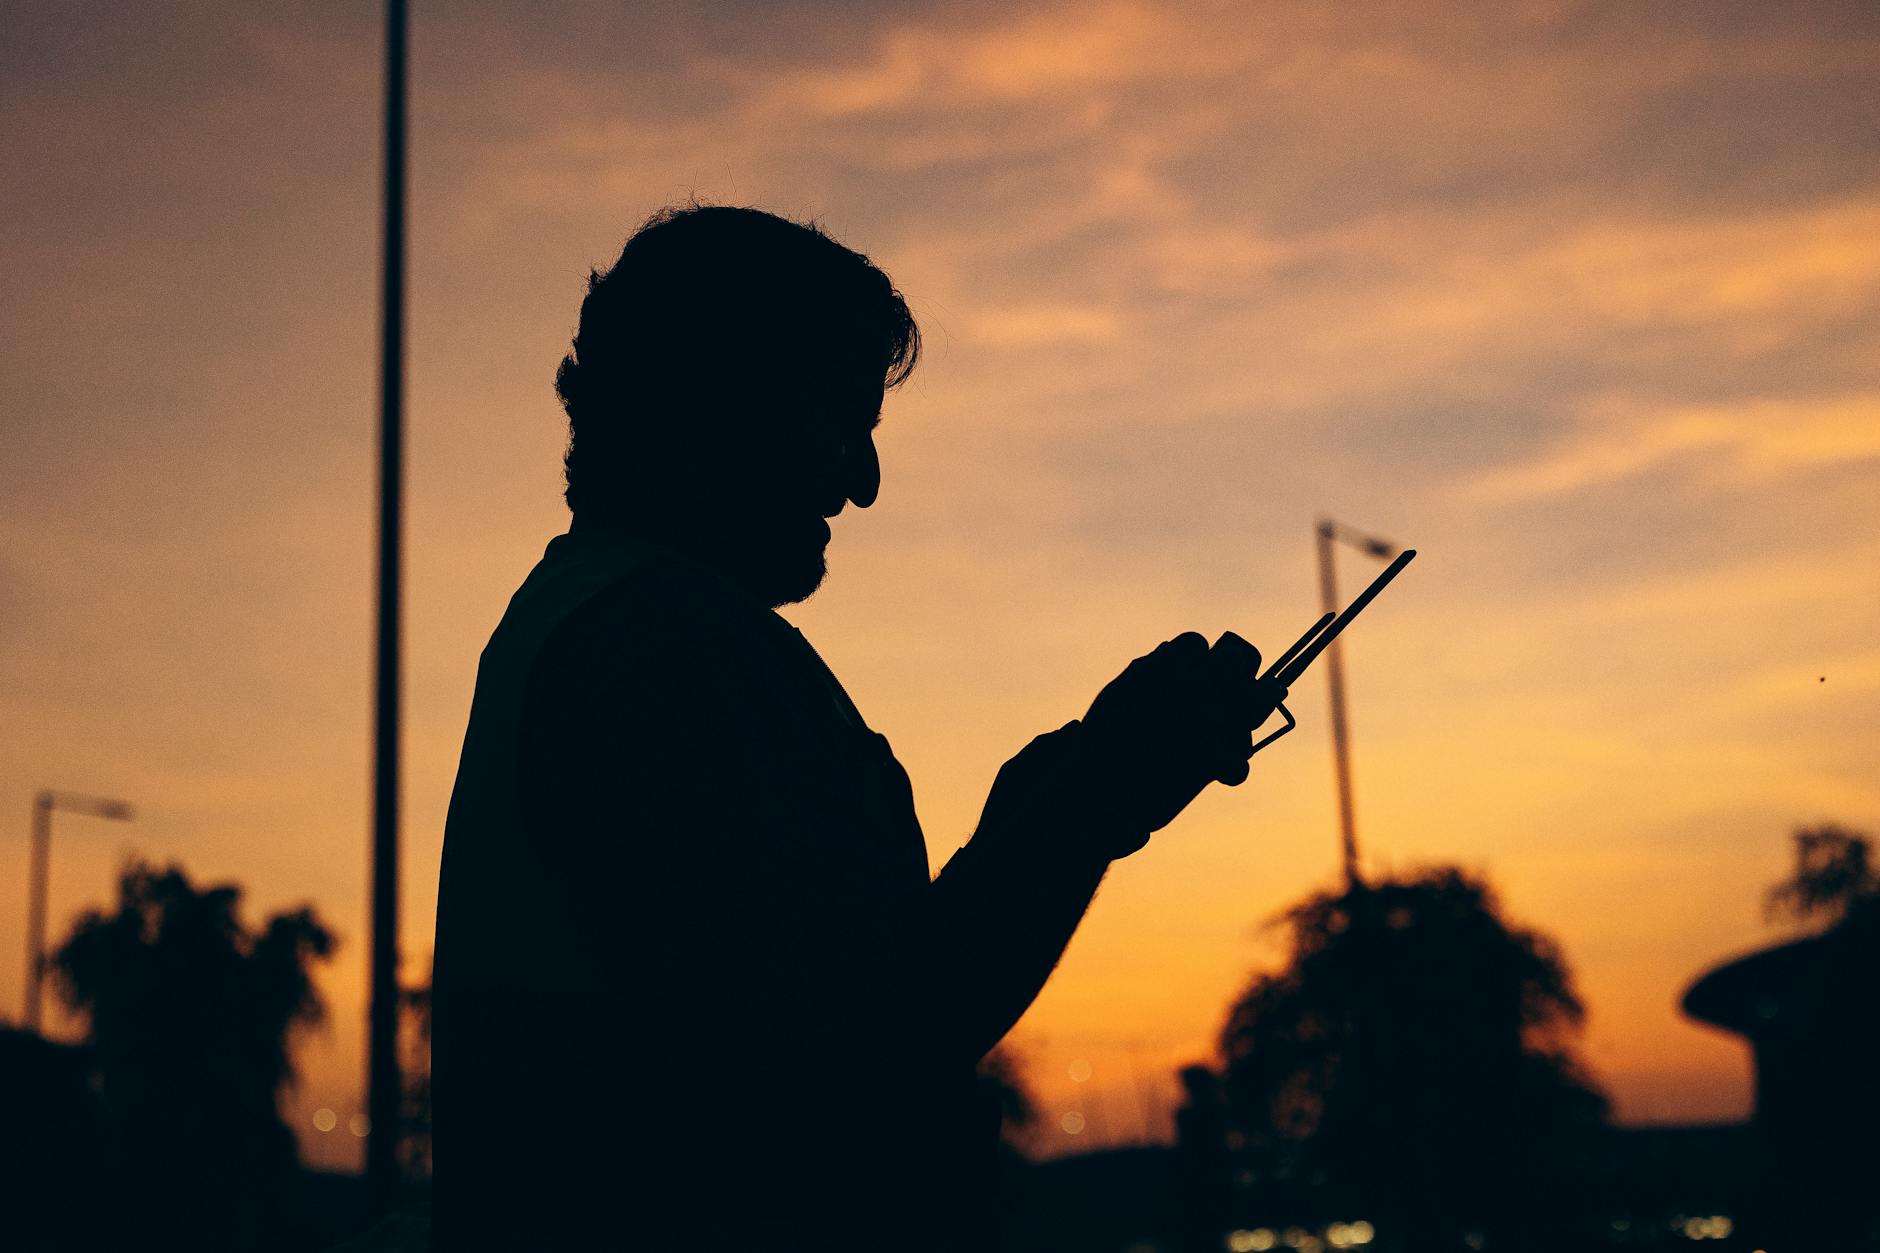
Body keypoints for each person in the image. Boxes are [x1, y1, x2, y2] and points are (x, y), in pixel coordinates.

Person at [431, 204, 1287, 1250]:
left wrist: (1070, 798)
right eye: (839, 419)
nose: (863, 481)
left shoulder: (582, 622)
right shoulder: (671, 649)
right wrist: (1076, 806)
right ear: (720, 400)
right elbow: (861, 1046)